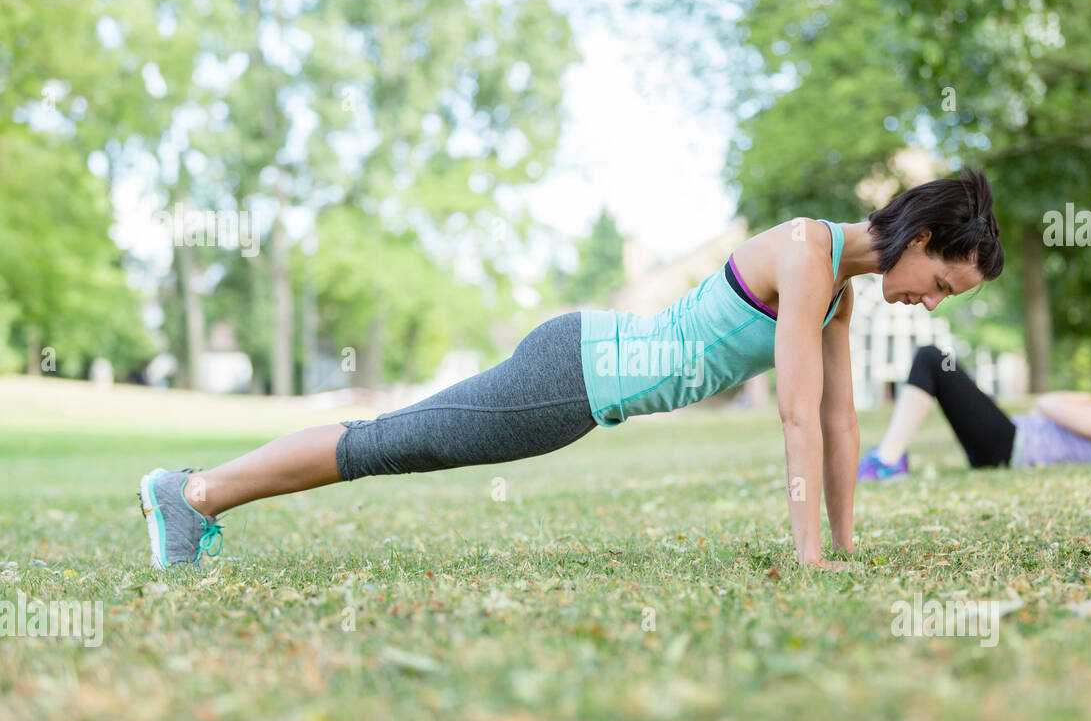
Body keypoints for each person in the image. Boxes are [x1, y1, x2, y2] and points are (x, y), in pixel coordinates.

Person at [139, 167, 1005, 573]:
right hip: (576, 374)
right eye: (938, 284)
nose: (930, 302)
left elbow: (838, 424)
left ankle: (196, 494)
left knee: (391, 441)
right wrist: (807, 555)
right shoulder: (808, 251)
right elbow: (794, 415)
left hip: (583, 377)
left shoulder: (835, 288)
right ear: (920, 241)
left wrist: (844, 550)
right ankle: (195, 495)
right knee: (385, 442)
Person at [856, 347, 1091, 481]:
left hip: (1007, 447)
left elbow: (1046, 405)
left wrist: (1086, 398)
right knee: (936, 362)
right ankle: (889, 459)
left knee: (933, 359)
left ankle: (887, 461)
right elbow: (1044, 409)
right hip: (1005, 443)